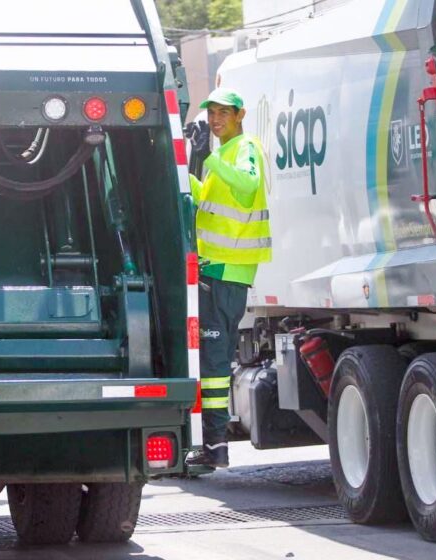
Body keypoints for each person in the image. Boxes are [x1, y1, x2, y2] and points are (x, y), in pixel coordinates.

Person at [185, 88, 271, 468]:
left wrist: (212, 160)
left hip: (228, 268)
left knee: (216, 361)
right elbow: (202, 202)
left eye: (223, 113)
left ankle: (216, 446)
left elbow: (249, 185)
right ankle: (212, 444)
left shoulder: (245, 147)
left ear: (240, 114)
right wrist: (194, 161)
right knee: (211, 359)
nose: (216, 119)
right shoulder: (220, 155)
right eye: (212, 113)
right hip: (214, 267)